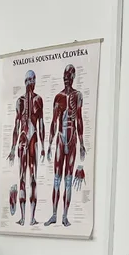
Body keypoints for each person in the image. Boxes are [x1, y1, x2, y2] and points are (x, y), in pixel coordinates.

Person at [44, 65, 86, 227]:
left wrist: (82, 144)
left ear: (73, 77)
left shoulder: (78, 95)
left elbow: (79, 119)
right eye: (64, 76)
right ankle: (54, 214)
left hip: (72, 141)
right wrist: (49, 144)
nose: (66, 79)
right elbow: (54, 122)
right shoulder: (58, 97)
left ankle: (65, 216)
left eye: (69, 76)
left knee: (68, 181)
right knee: (57, 179)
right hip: (61, 141)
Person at [8, 70, 45, 225]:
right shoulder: (20, 101)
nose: (31, 82)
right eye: (28, 79)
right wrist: (12, 148)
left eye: (33, 79)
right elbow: (16, 125)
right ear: (25, 82)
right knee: (22, 178)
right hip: (23, 141)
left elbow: (41, 123)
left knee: (33, 178)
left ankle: (32, 218)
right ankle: (23, 217)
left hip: (33, 140)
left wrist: (43, 146)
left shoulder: (38, 100)